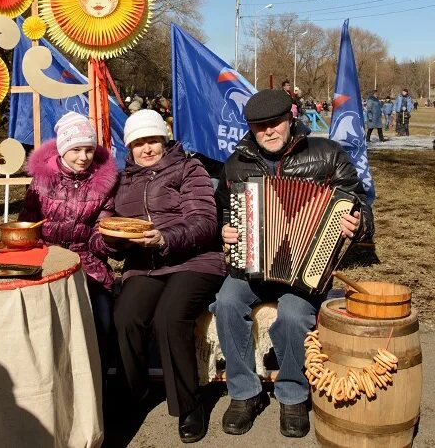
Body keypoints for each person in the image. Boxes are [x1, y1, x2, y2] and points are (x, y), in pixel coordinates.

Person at [211, 89, 374, 439]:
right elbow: (223, 211)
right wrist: (225, 230)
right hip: (251, 264)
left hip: (306, 270)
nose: (269, 131)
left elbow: (359, 202)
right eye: (259, 127)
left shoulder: (327, 154)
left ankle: (292, 394)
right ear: (251, 129)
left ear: (291, 117)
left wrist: (358, 223)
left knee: (295, 315)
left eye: (275, 123)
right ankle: (244, 393)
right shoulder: (236, 163)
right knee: (225, 303)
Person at [110, 109, 226, 443]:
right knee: (126, 317)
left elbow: (205, 221)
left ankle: (189, 404)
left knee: (169, 317)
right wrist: (112, 239)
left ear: (164, 140)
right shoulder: (123, 180)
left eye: (152, 140)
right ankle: (135, 394)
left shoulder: (189, 168)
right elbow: (116, 234)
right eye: (138, 143)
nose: (146, 149)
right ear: (129, 147)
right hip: (145, 263)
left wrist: (165, 237)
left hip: (195, 259)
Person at [18, 111, 118, 383]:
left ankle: (98, 384)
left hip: (87, 262)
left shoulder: (103, 184)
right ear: (63, 150)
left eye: (88, 149)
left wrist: (108, 242)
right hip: (46, 259)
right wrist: (39, 254)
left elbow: (101, 228)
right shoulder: (41, 180)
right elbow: (27, 225)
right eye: (76, 150)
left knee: (103, 323)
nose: (83, 157)